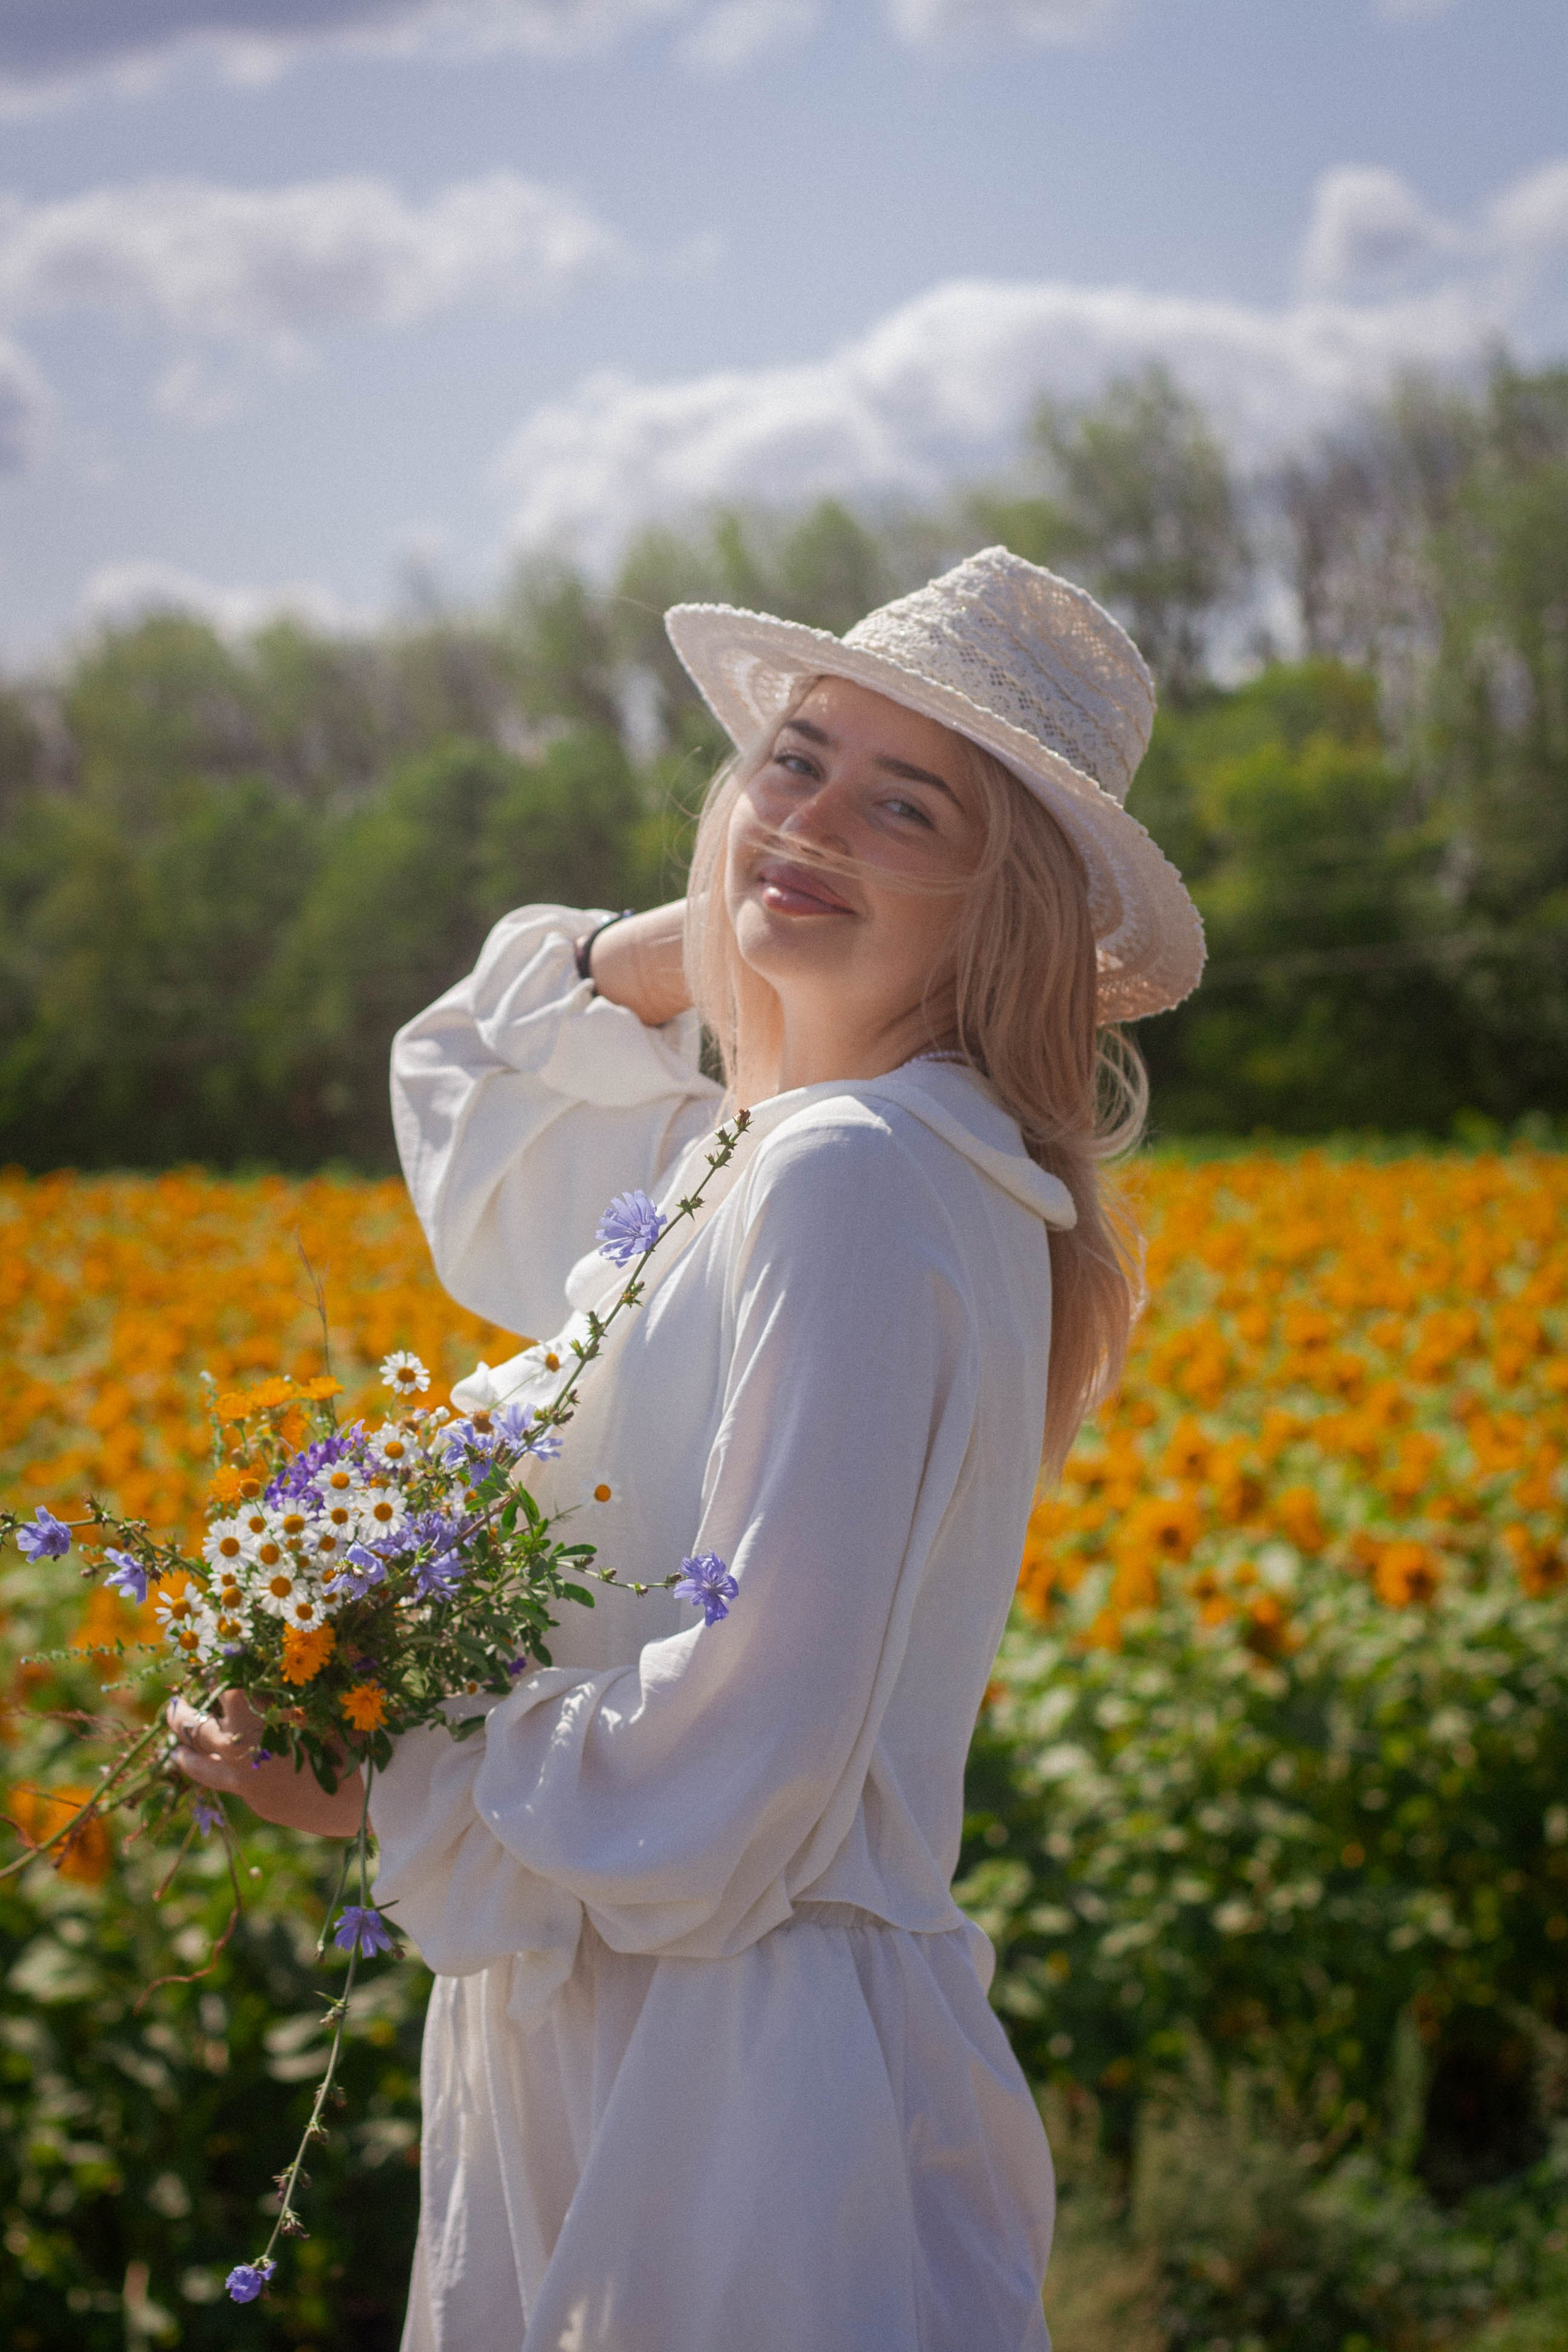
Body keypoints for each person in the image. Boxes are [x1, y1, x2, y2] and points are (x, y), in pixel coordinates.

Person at [170, 546, 1204, 2350]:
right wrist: (738, 902)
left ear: (1005, 909)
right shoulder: (784, 1155)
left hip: (712, 2076)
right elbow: (470, 1098)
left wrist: (384, 1778)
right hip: (667, 2023)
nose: (817, 820)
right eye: (793, 758)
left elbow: (748, 1751)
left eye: (910, 805)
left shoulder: (848, 1175)